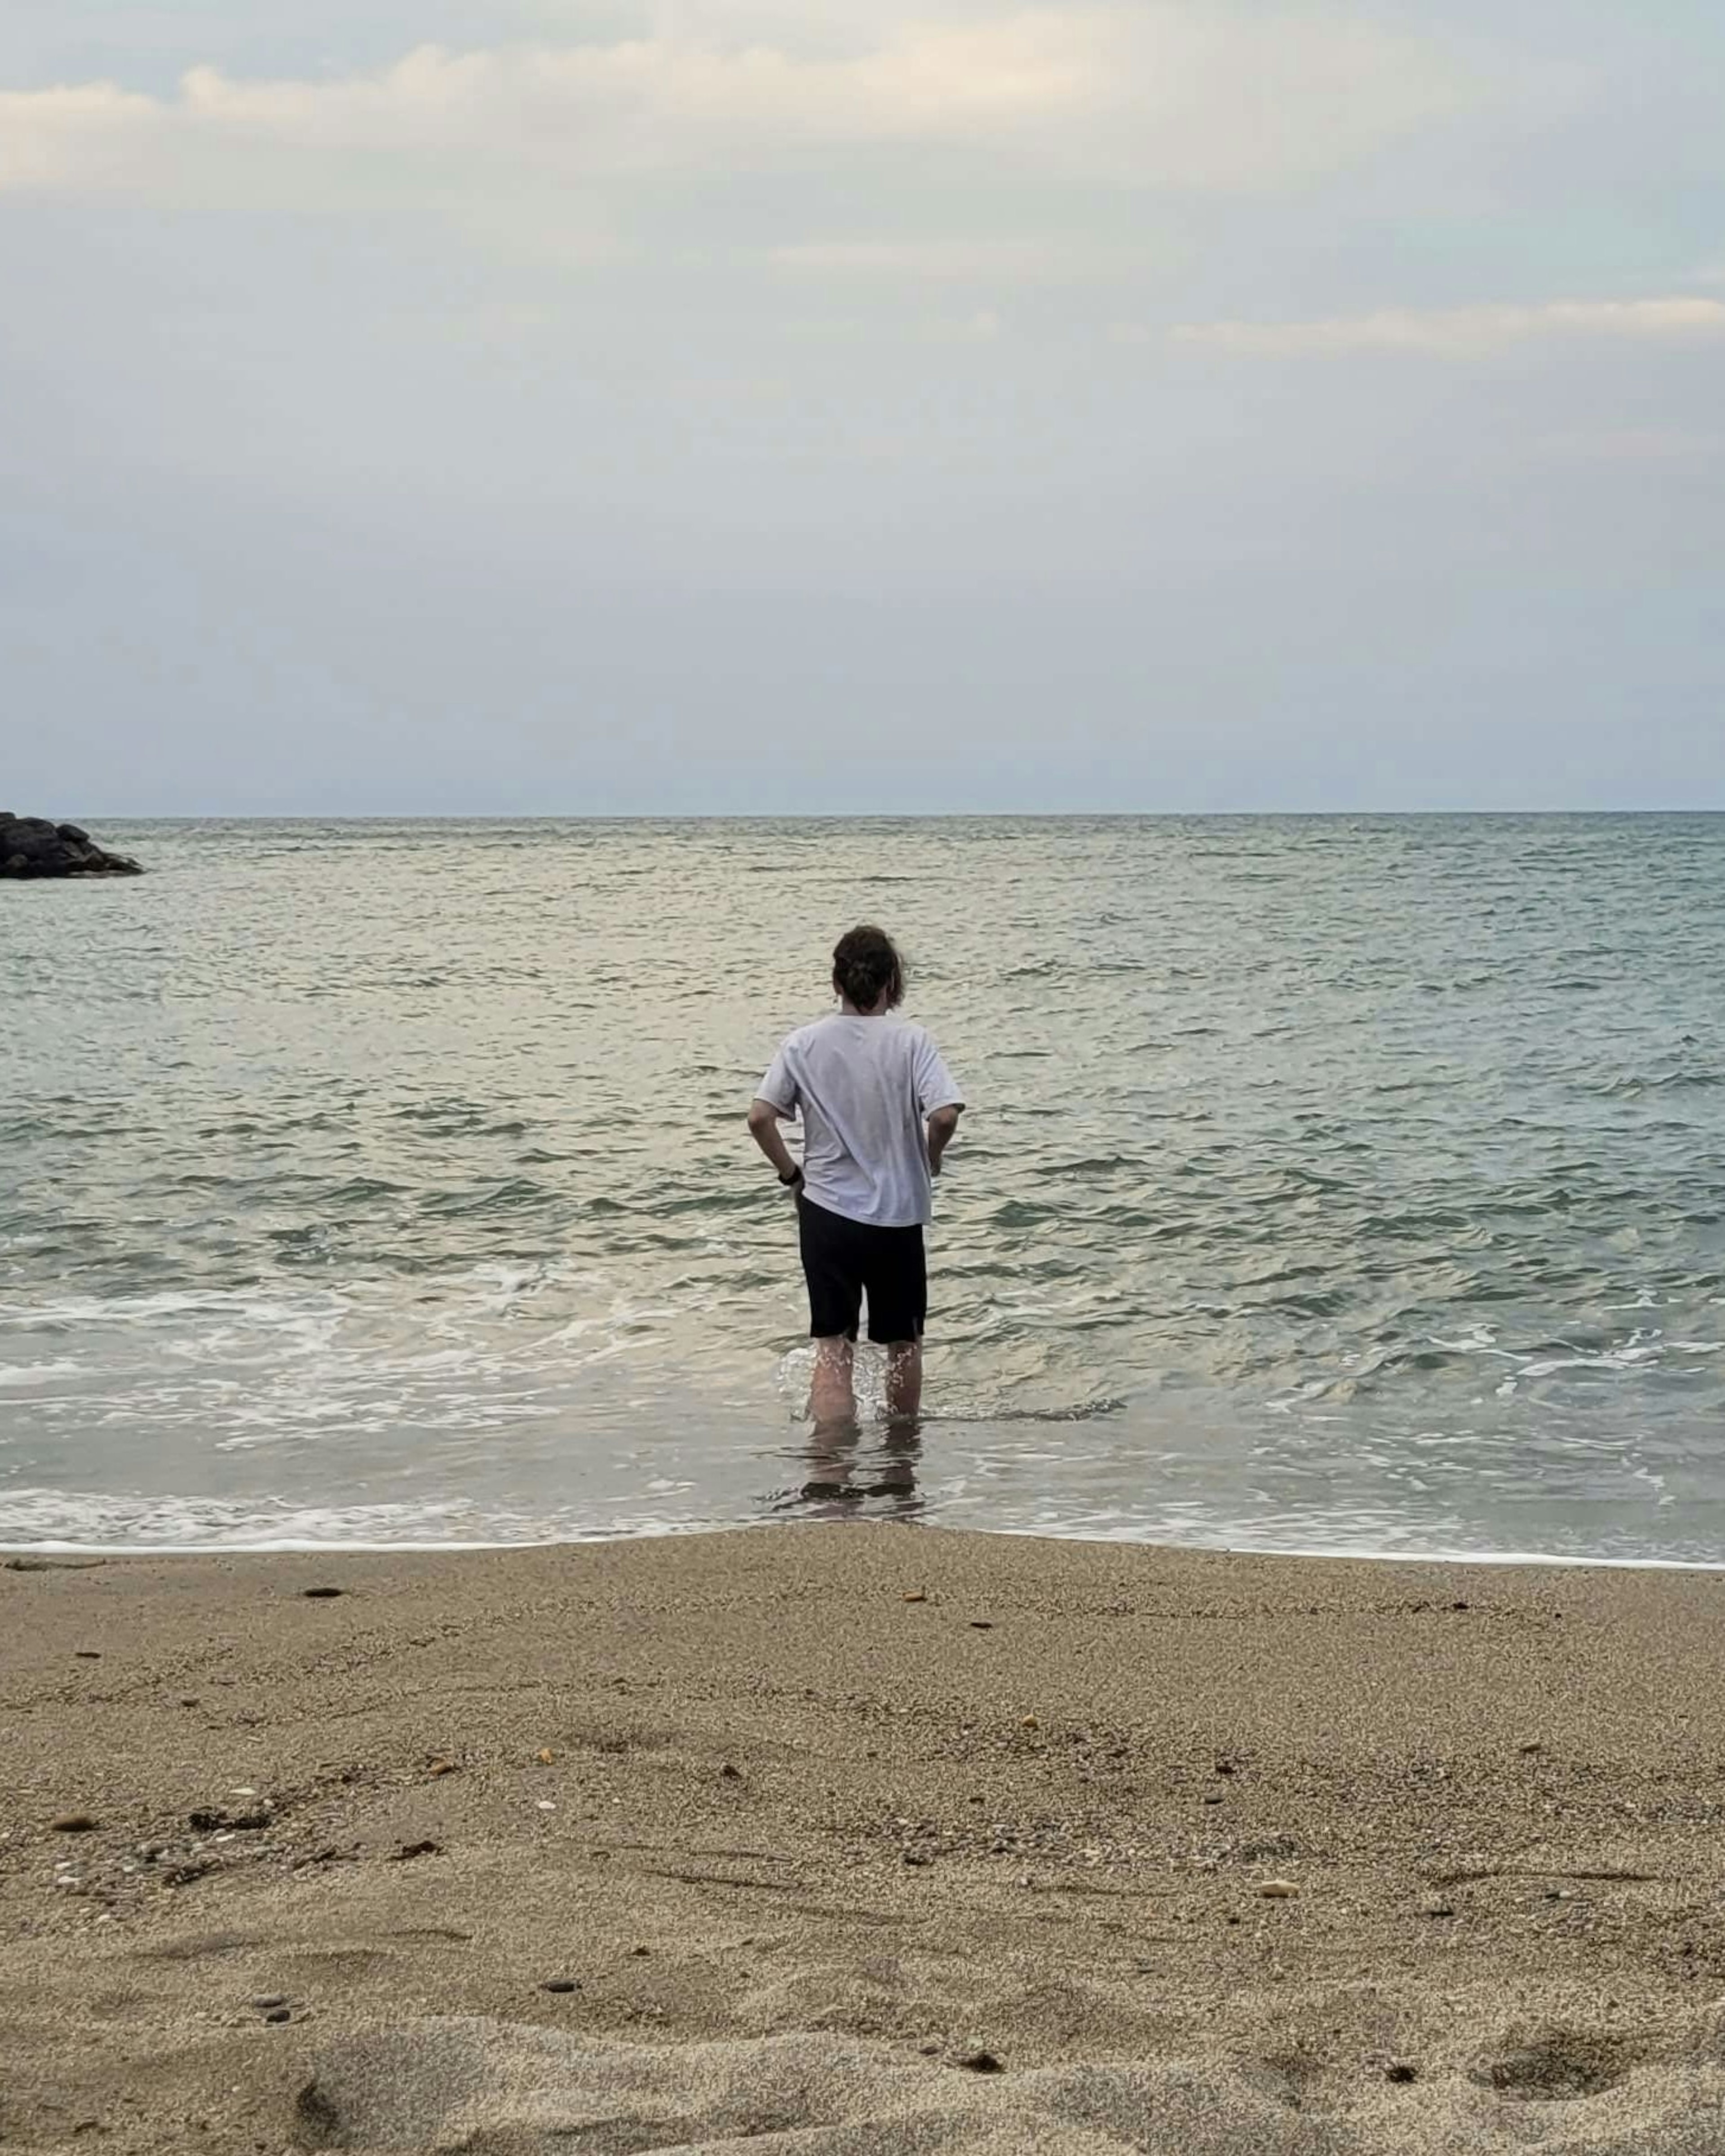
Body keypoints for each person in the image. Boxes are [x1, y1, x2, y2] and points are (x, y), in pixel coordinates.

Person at [749, 926, 964, 1425]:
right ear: (892, 980)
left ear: (837, 981)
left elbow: (760, 1117)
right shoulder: (912, 1041)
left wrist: (791, 1175)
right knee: (904, 1344)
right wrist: (931, 1156)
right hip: (897, 1214)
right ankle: (901, 1460)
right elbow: (946, 1115)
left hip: (826, 1212)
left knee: (833, 1345)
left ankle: (830, 1474)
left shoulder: (804, 1043)